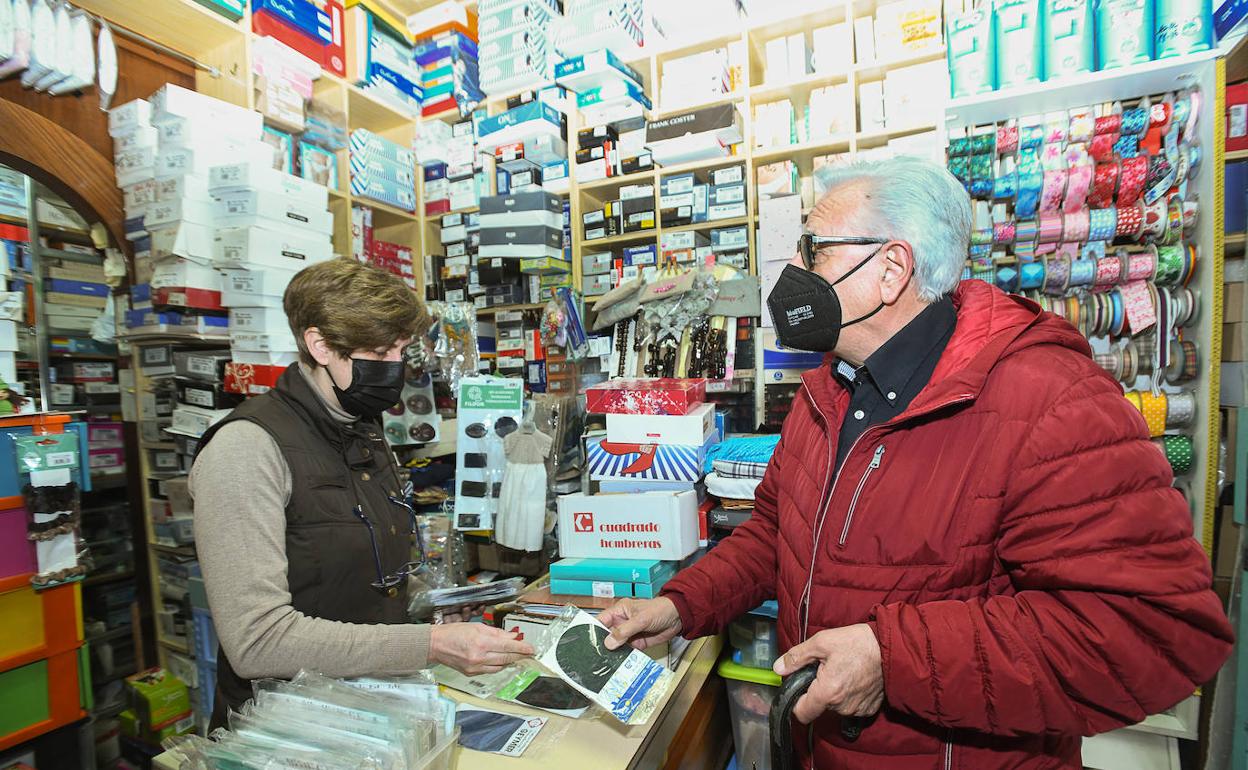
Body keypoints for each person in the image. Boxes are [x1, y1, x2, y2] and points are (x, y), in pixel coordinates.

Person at [601, 157, 1234, 769]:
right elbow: (776, 534)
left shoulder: (1050, 401)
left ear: (891, 269)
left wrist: (893, 659)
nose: (792, 269)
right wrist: (682, 606)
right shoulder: (829, 389)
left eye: (814, 249)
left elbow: (1153, 633)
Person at [191, 258, 532, 729]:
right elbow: (257, 642)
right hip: (284, 729)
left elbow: (357, 570)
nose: (395, 369)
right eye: (379, 352)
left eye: (401, 351)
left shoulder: (364, 430)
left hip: (367, 706)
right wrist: (430, 645)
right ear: (321, 345)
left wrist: (430, 603)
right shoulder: (246, 449)